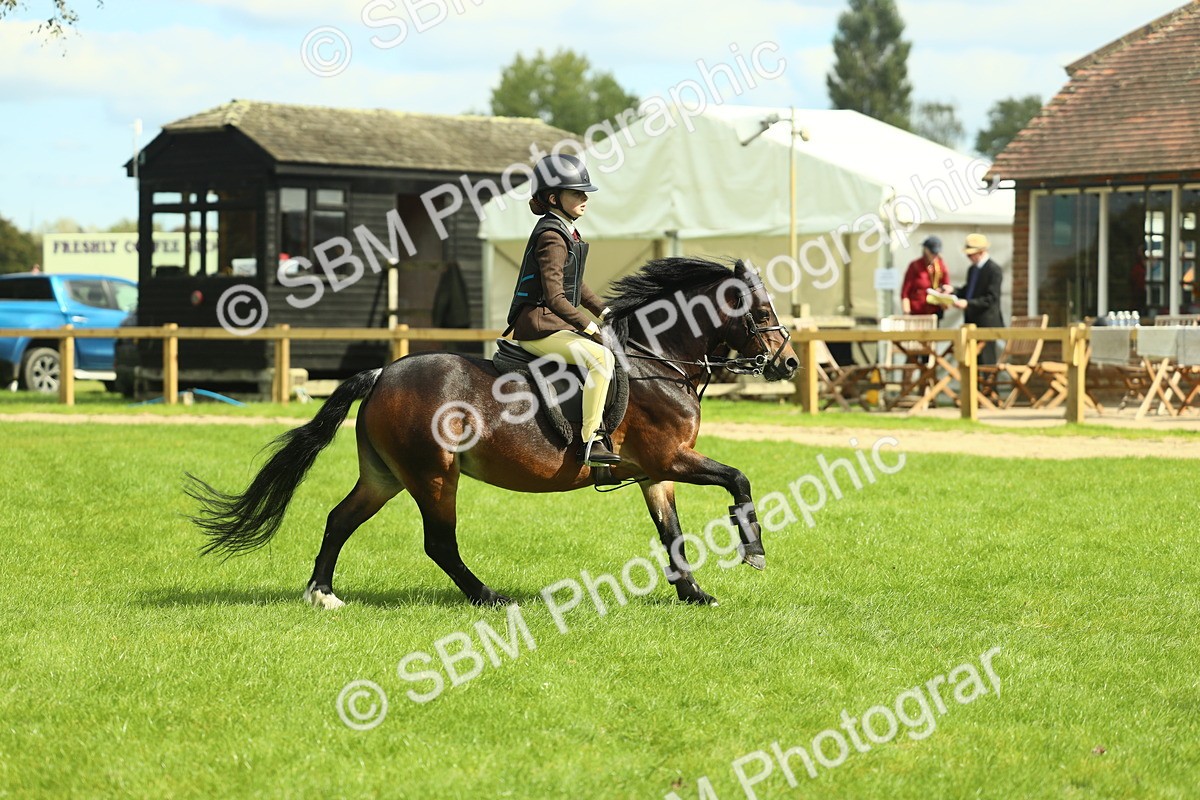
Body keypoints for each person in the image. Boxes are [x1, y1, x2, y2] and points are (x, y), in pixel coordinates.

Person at [507, 153, 618, 467]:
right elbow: (556, 298)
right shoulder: (552, 236)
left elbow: (575, 285)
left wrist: (607, 313)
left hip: (552, 325)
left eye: (585, 193)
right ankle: (592, 441)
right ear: (554, 198)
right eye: (577, 193)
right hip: (539, 327)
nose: (585, 198)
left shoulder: (564, 230)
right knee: (602, 358)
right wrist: (591, 328)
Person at [953, 233, 1005, 364]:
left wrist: (968, 304)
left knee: (986, 362)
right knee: (971, 362)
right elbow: (969, 291)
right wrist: (953, 291)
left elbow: (991, 298)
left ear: (981, 252)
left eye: (971, 254)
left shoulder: (994, 270)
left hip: (986, 324)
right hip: (971, 322)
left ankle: (988, 379)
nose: (968, 257)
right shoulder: (972, 270)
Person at [900, 235, 952, 320]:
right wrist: (906, 313)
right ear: (926, 250)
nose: (935, 255)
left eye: (937, 253)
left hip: (935, 312)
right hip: (917, 313)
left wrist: (944, 292)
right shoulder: (915, 266)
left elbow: (947, 285)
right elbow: (905, 292)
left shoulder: (941, 266)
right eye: (932, 253)